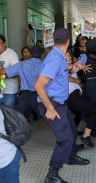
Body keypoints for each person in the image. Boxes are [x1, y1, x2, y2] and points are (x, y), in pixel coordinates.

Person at [34, 28, 89, 183]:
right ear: (68, 42)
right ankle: (52, 174)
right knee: (65, 139)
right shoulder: (55, 58)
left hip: (60, 103)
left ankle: (70, 157)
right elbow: (39, 85)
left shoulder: (58, 56)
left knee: (72, 131)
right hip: (52, 105)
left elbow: (60, 73)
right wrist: (50, 109)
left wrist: (74, 69)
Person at [66, 50, 96, 148]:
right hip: (71, 96)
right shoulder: (63, 65)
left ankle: (71, 132)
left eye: (70, 55)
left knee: (80, 114)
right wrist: (77, 79)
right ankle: (86, 136)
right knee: (94, 111)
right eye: (67, 55)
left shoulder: (69, 65)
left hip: (75, 94)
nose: (69, 57)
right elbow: (67, 74)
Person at [0, 46, 44, 120]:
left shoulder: (22, 64)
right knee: (47, 115)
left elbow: (4, 71)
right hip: (40, 95)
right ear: (41, 56)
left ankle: (21, 129)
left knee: (19, 118)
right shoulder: (44, 65)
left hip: (25, 96)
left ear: (30, 54)